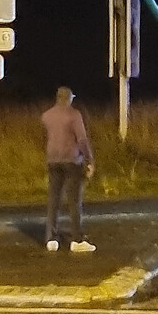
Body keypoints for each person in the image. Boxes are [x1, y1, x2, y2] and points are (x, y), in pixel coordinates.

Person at [41, 87, 95, 253]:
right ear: (69, 98)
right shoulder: (74, 115)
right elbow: (82, 139)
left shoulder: (46, 116)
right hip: (72, 160)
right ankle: (77, 239)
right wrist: (90, 160)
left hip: (53, 160)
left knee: (53, 199)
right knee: (74, 201)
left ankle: (51, 238)